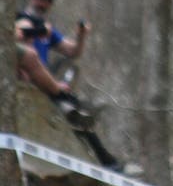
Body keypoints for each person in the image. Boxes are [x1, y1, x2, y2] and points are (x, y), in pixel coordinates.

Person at [15, 15, 120, 170]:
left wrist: (81, 35)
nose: (42, 1)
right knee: (66, 105)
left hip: (45, 81)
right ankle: (67, 101)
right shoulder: (21, 23)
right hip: (35, 84)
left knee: (75, 113)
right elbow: (17, 35)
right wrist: (36, 31)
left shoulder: (45, 28)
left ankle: (105, 158)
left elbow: (72, 50)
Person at [20, 0, 90, 68]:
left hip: (41, 77)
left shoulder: (47, 28)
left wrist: (81, 35)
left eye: (47, 0)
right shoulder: (19, 20)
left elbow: (72, 51)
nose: (42, 4)